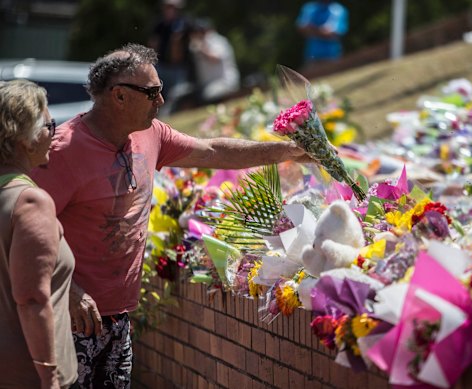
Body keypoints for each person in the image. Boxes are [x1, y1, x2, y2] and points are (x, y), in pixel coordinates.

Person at [31, 43, 310, 388]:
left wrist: (289, 151)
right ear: (118, 96)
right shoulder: (63, 151)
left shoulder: (153, 134)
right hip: (68, 318)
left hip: (117, 317)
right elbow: (24, 230)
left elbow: (213, 151)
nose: (161, 101)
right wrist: (68, 289)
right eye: (152, 92)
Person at [0, 80, 77, 388]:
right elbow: (32, 299)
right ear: (26, 140)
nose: (53, 134)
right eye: (49, 125)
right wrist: (51, 377)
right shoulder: (31, 202)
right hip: (27, 377)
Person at [148, 0, 193, 100]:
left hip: (179, 67)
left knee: (177, 95)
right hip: (162, 66)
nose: (169, 10)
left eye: (171, 7)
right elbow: (153, 43)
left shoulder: (185, 22)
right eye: (167, 7)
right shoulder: (160, 24)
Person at [189, 17, 240, 105]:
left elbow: (216, 59)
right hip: (209, 84)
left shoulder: (217, 40)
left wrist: (201, 49)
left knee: (207, 96)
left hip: (225, 82)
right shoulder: (197, 43)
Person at [296, 0, 349, 66]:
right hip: (312, 56)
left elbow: (333, 33)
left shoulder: (338, 10)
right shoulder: (309, 8)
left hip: (332, 56)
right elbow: (301, 28)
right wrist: (321, 31)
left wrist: (313, 29)